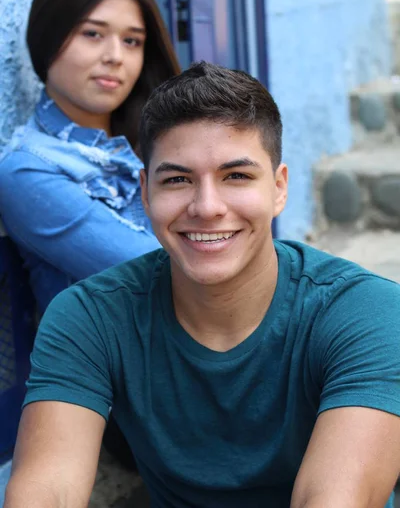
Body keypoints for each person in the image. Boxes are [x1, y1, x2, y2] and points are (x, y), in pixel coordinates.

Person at [5, 62, 400, 508]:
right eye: (178, 179)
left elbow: (334, 500)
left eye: (236, 176)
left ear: (278, 188)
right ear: (146, 192)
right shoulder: (90, 317)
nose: (207, 207)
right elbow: (46, 490)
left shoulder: (369, 312)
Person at [0, 0, 180, 315]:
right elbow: (166, 275)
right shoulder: (28, 171)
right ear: (48, 38)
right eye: (93, 34)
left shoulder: (159, 141)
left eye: (132, 41)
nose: (115, 56)